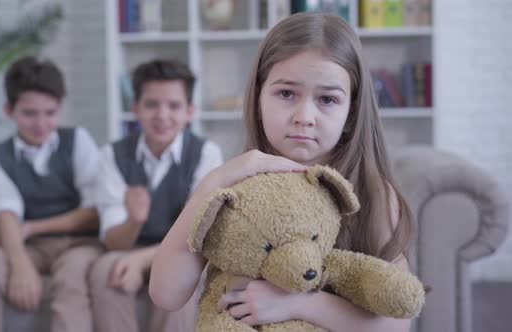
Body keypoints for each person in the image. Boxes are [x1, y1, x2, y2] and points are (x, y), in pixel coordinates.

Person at [149, 12, 414, 332]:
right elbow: (165, 294)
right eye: (286, 94)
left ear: (351, 111)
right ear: (258, 98)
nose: (305, 116)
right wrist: (213, 182)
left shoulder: (373, 192)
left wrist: (299, 303)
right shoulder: (237, 188)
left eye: (327, 99)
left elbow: (398, 323)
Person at [0, 56, 101, 332]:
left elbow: (94, 212)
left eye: (50, 113)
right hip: (31, 246)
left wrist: (31, 227)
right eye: (29, 113)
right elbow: (5, 212)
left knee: (72, 275)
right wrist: (20, 263)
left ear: (59, 110)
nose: (41, 123)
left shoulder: (78, 141)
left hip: (80, 244)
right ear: (9, 110)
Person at [89, 59, 223, 332]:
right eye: (151, 105)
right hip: (129, 249)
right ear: (135, 109)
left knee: (182, 272)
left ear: (189, 112)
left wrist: (143, 260)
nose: (162, 115)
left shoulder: (206, 155)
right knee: (106, 270)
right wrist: (135, 221)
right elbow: (115, 242)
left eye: (174, 106)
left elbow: (197, 236)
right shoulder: (111, 156)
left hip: (183, 252)